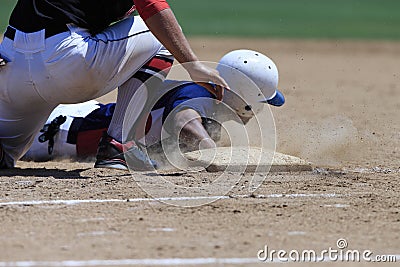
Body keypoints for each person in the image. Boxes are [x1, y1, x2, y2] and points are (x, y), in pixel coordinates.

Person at [0, 0, 228, 170]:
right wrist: (192, 65)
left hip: (11, 67)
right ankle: (120, 146)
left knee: (5, 153)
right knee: (159, 35)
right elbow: (152, 7)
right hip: (67, 62)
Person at [22, 50, 285, 171]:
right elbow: (183, 118)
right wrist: (209, 148)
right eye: (261, 103)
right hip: (58, 132)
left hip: (83, 115)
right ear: (245, 99)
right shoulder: (199, 96)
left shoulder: (214, 105)